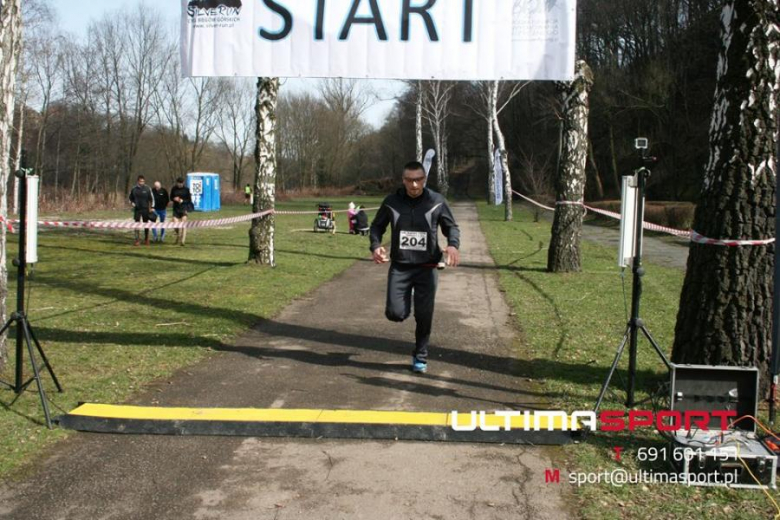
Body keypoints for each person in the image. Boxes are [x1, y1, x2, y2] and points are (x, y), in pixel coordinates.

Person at [369, 161, 460, 374]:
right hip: (400, 267)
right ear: (403, 180)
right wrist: (375, 246)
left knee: (424, 315)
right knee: (396, 313)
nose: (414, 185)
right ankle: (405, 302)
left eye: (418, 180)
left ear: (424, 180)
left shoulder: (436, 201)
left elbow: (451, 227)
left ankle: (420, 355)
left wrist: (453, 245)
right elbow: (376, 226)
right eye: (409, 180)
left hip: (427, 268)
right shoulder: (392, 202)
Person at [129, 175, 155, 246]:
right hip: (137, 209)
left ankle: (146, 239)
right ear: (138, 181)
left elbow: (151, 199)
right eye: (140, 181)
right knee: (137, 224)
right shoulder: (134, 189)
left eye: (143, 181)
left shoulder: (147, 188)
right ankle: (137, 240)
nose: (142, 182)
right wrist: (132, 203)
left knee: (146, 224)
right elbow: (130, 198)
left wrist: (152, 207)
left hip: (145, 209)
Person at [170, 177, 193, 246]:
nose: (180, 184)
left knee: (183, 224)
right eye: (178, 183)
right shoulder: (174, 189)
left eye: (181, 183)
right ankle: (178, 236)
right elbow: (171, 197)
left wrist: (182, 201)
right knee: (175, 225)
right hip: (176, 209)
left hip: (184, 208)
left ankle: (183, 240)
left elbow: (189, 200)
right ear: (177, 183)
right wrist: (174, 198)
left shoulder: (186, 190)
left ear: (183, 183)